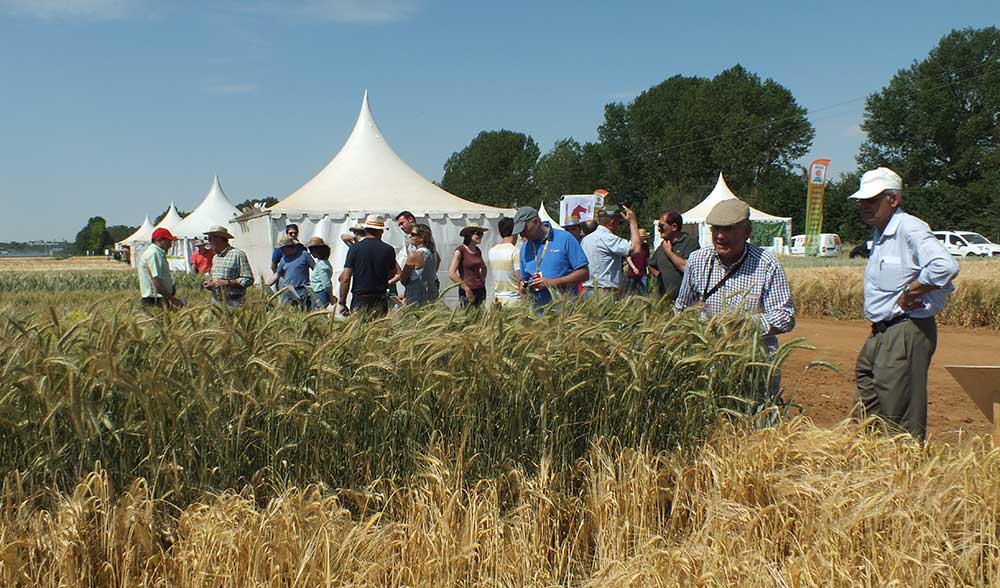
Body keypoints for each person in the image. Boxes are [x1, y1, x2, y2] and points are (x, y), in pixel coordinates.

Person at [850, 167, 959, 441]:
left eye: (872, 200)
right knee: (868, 396)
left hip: (906, 330)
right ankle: (873, 457)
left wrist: (912, 291)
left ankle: (903, 467)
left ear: (893, 200)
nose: (864, 206)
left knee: (900, 413)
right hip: (882, 330)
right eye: (862, 201)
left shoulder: (909, 227)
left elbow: (945, 266)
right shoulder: (881, 231)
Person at [675, 199, 795, 354]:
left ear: (747, 231)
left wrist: (741, 325)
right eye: (716, 229)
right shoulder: (697, 260)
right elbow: (681, 308)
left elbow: (785, 317)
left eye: (728, 229)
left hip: (752, 362)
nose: (720, 236)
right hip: (707, 360)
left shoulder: (766, 264)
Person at [513, 206, 589, 307]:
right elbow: (523, 279)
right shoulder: (524, 248)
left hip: (564, 312)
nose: (522, 235)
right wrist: (524, 286)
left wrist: (552, 282)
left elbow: (584, 273)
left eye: (524, 230)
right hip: (537, 314)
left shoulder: (565, 239)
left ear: (536, 222)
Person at [338, 215, 398, 317]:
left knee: (359, 330)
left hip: (360, 299)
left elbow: (345, 278)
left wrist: (342, 302)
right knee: (379, 331)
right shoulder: (388, 250)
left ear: (365, 230)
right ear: (381, 231)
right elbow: (392, 273)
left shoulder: (354, 248)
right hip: (380, 298)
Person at [580, 204, 641, 298]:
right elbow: (636, 249)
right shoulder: (608, 238)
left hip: (587, 290)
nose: (619, 226)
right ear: (612, 222)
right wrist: (633, 222)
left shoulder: (586, 239)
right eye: (619, 223)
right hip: (603, 293)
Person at [649, 210, 700, 302]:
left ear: (674, 227)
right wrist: (660, 277)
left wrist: (669, 253)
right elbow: (651, 264)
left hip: (685, 301)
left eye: (661, 226)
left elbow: (687, 267)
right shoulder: (663, 245)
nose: (659, 229)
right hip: (664, 301)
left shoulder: (690, 242)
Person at [204, 225, 254, 307]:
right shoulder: (215, 258)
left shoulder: (237, 254)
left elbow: (248, 279)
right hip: (216, 302)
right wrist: (211, 284)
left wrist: (226, 282)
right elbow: (215, 279)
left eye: (210, 239)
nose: (208, 242)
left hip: (234, 302)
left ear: (219, 238)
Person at [138, 228, 183, 309]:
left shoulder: (156, 253)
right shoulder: (154, 254)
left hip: (158, 299)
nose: (171, 245)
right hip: (155, 300)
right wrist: (172, 299)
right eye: (169, 241)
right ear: (159, 240)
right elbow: (156, 281)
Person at [265, 235, 315, 308]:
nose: (281, 251)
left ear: (290, 247)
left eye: (283, 249)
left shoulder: (304, 255)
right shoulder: (284, 259)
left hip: (303, 291)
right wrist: (265, 285)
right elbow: (277, 274)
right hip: (288, 292)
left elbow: (315, 269)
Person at [449, 225, 489, 307]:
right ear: (469, 234)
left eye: (481, 234)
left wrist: (482, 280)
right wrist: (466, 288)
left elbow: (484, 268)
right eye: (478, 233)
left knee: (480, 317)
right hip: (467, 290)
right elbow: (451, 273)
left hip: (479, 289)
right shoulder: (460, 251)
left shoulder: (477, 250)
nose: (481, 236)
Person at [399, 224, 438, 306]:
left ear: (421, 237)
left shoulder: (414, 256)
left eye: (413, 234)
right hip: (429, 296)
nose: (410, 237)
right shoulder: (430, 253)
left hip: (416, 298)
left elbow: (403, 279)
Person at [487, 217, 521, 306]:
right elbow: (519, 280)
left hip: (497, 298)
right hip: (514, 299)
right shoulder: (515, 251)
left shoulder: (492, 251)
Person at [305, 236, 335, 310]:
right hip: (317, 293)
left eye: (312, 251)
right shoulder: (321, 263)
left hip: (320, 293)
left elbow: (326, 284)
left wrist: (331, 296)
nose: (311, 253)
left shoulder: (322, 265)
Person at [625, 229, 651, 295]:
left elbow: (647, 259)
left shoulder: (646, 246)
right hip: (632, 273)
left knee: (645, 292)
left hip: (643, 272)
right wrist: (634, 267)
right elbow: (628, 258)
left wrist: (649, 269)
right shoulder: (632, 245)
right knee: (630, 291)